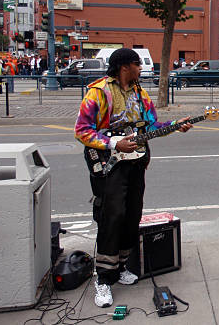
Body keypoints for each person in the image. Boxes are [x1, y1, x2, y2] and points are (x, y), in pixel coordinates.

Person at [74, 48, 193, 308]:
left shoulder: (140, 93)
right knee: (111, 215)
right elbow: (82, 130)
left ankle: (121, 267)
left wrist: (175, 125)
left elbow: (150, 126)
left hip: (136, 162)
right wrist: (114, 144)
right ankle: (104, 278)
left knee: (131, 214)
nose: (141, 69)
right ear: (125, 66)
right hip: (109, 163)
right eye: (138, 65)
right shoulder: (98, 92)